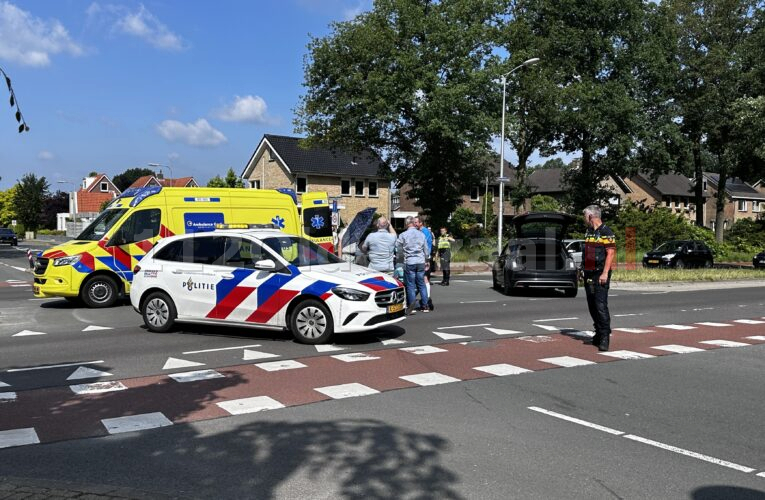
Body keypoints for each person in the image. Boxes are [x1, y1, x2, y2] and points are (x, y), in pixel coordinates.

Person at [582, 205, 616, 352]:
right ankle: (598, 331)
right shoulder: (589, 232)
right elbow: (588, 253)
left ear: (590, 217)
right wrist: (583, 270)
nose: (584, 220)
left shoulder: (606, 232)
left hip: (600, 273)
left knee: (600, 305)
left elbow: (610, 253)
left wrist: (604, 273)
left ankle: (604, 336)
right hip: (589, 273)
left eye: (585, 217)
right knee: (592, 304)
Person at [396, 216, 429, 315]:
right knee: (421, 284)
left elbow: (398, 249)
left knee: (410, 285)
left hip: (410, 261)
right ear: (413, 223)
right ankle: (425, 306)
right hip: (420, 261)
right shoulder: (421, 234)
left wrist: (400, 258)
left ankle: (412, 307)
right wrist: (426, 259)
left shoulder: (403, 235)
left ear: (406, 223)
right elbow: (426, 250)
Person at [414, 216, 434, 310]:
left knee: (425, 278)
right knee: (423, 278)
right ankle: (426, 299)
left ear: (421, 222)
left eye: (416, 222)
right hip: (421, 258)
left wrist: (426, 259)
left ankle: (427, 299)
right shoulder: (421, 231)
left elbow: (427, 246)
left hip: (424, 258)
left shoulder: (424, 231)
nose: (415, 224)